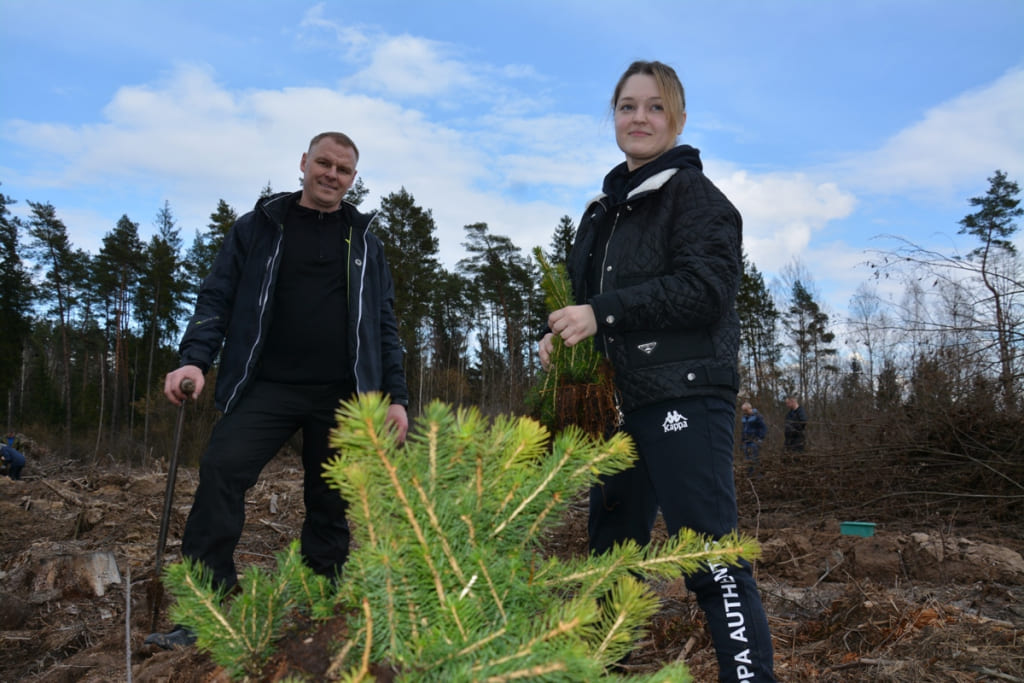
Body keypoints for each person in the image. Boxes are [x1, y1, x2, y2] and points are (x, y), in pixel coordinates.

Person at [538, 61, 775, 681]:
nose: (638, 118)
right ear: (612, 117)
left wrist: (601, 312)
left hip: (686, 395)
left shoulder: (695, 197)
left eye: (654, 107)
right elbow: (590, 304)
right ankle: (603, 670)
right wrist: (563, 337)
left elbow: (705, 291)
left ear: (679, 119)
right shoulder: (602, 212)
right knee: (611, 554)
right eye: (626, 106)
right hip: (619, 403)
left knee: (709, 554)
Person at [146, 131, 410, 649]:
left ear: (354, 179)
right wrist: (194, 361)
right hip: (266, 386)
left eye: (344, 170)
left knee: (330, 501)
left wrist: (395, 397)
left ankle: (321, 612)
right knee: (222, 468)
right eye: (324, 164)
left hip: (343, 393)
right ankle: (208, 611)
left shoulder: (365, 244)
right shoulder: (257, 229)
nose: (332, 175)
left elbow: (384, 325)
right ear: (303, 164)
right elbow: (216, 296)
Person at [740, 402, 767, 478]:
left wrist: (760, 438)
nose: (745, 412)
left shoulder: (757, 416)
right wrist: (742, 441)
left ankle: (758, 474)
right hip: (746, 441)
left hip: (754, 441)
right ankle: (749, 474)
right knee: (747, 459)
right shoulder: (744, 418)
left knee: (755, 458)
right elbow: (743, 430)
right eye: (743, 410)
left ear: (750, 408)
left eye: (746, 410)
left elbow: (763, 428)